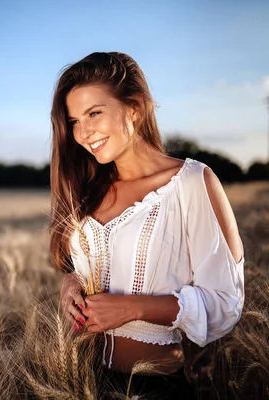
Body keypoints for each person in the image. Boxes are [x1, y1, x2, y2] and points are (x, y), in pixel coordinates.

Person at [49, 52, 245, 399]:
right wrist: (70, 282)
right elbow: (84, 267)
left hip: (155, 388)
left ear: (135, 107)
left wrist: (132, 307)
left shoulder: (190, 181)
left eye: (95, 113)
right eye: (75, 120)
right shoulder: (88, 189)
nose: (83, 132)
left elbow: (225, 303)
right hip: (83, 381)